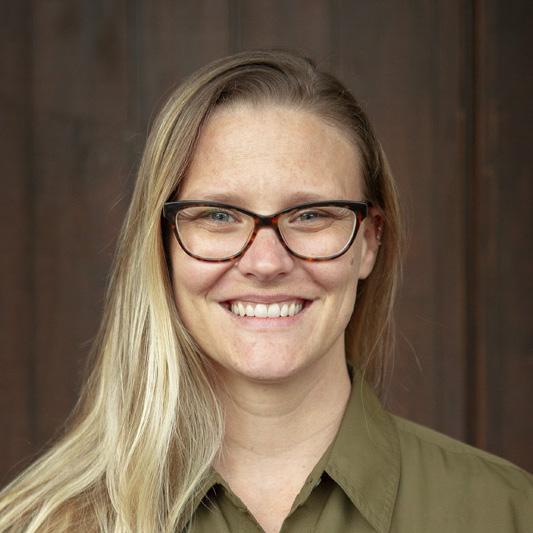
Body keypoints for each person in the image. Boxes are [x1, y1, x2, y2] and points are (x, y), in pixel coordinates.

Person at [0, 50, 531, 533]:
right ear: (162, 246)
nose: (266, 262)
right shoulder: (42, 523)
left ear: (369, 242)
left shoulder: (504, 511)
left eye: (310, 215)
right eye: (219, 215)